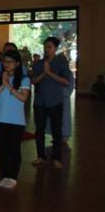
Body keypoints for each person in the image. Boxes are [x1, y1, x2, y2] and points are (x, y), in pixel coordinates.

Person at [0, 50, 30, 189]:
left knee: (14, 149)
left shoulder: (24, 79)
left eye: (10, 61)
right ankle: (5, 175)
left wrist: (8, 85)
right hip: (0, 118)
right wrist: (2, 84)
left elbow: (23, 98)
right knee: (3, 149)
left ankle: (13, 177)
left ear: (17, 63)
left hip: (16, 121)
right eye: (5, 61)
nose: (7, 64)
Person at [31, 36, 72, 169]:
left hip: (55, 101)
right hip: (40, 102)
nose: (46, 49)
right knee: (39, 130)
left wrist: (49, 72)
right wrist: (44, 73)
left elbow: (66, 81)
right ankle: (40, 156)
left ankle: (56, 158)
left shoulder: (61, 63)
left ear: (55, 48)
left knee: (56, 130)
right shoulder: (39, 63)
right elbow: (33, 81)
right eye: (45, 46)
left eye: (49, 47)